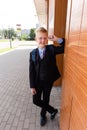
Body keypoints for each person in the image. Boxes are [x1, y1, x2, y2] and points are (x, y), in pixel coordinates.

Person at [29, 27, 65, 126]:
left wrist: (57, 39)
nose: (43, 40)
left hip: (48, 81)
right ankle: (52, 110)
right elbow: (31, 71)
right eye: (40, 38)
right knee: (36, 100)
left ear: (47, 39)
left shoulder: (51, 49)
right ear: (36, 39)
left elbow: (64, 48)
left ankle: (43, 115)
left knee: (46, 99)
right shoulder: (32, 54)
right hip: (37, 82)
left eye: (45, 38)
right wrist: (32, 86)